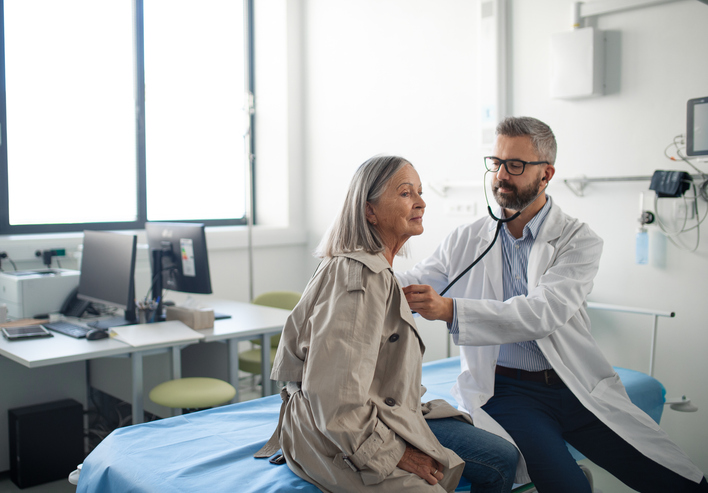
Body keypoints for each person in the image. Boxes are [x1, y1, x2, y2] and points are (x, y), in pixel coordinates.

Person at [397, 116, 708, 493]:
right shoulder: (468, 239)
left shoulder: (578, 239)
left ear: (546, 175)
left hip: (576, 384)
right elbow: (413, 281)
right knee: (568, 486)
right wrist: (356, 275)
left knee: (679, 479)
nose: (500, 176)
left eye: (515, 165)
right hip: (509, 392)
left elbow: (541, 313)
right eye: (495, 163)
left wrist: (451, 310)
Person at [256, 155, 518, 492]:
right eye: (406, 193)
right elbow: (334, 397)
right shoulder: (360, 281)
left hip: (379, 410)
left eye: (420, 192)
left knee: (503, 457)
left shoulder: (377, 273)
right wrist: (394, 453)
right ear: (370, 211)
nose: (421, 202)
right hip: (337, 429)